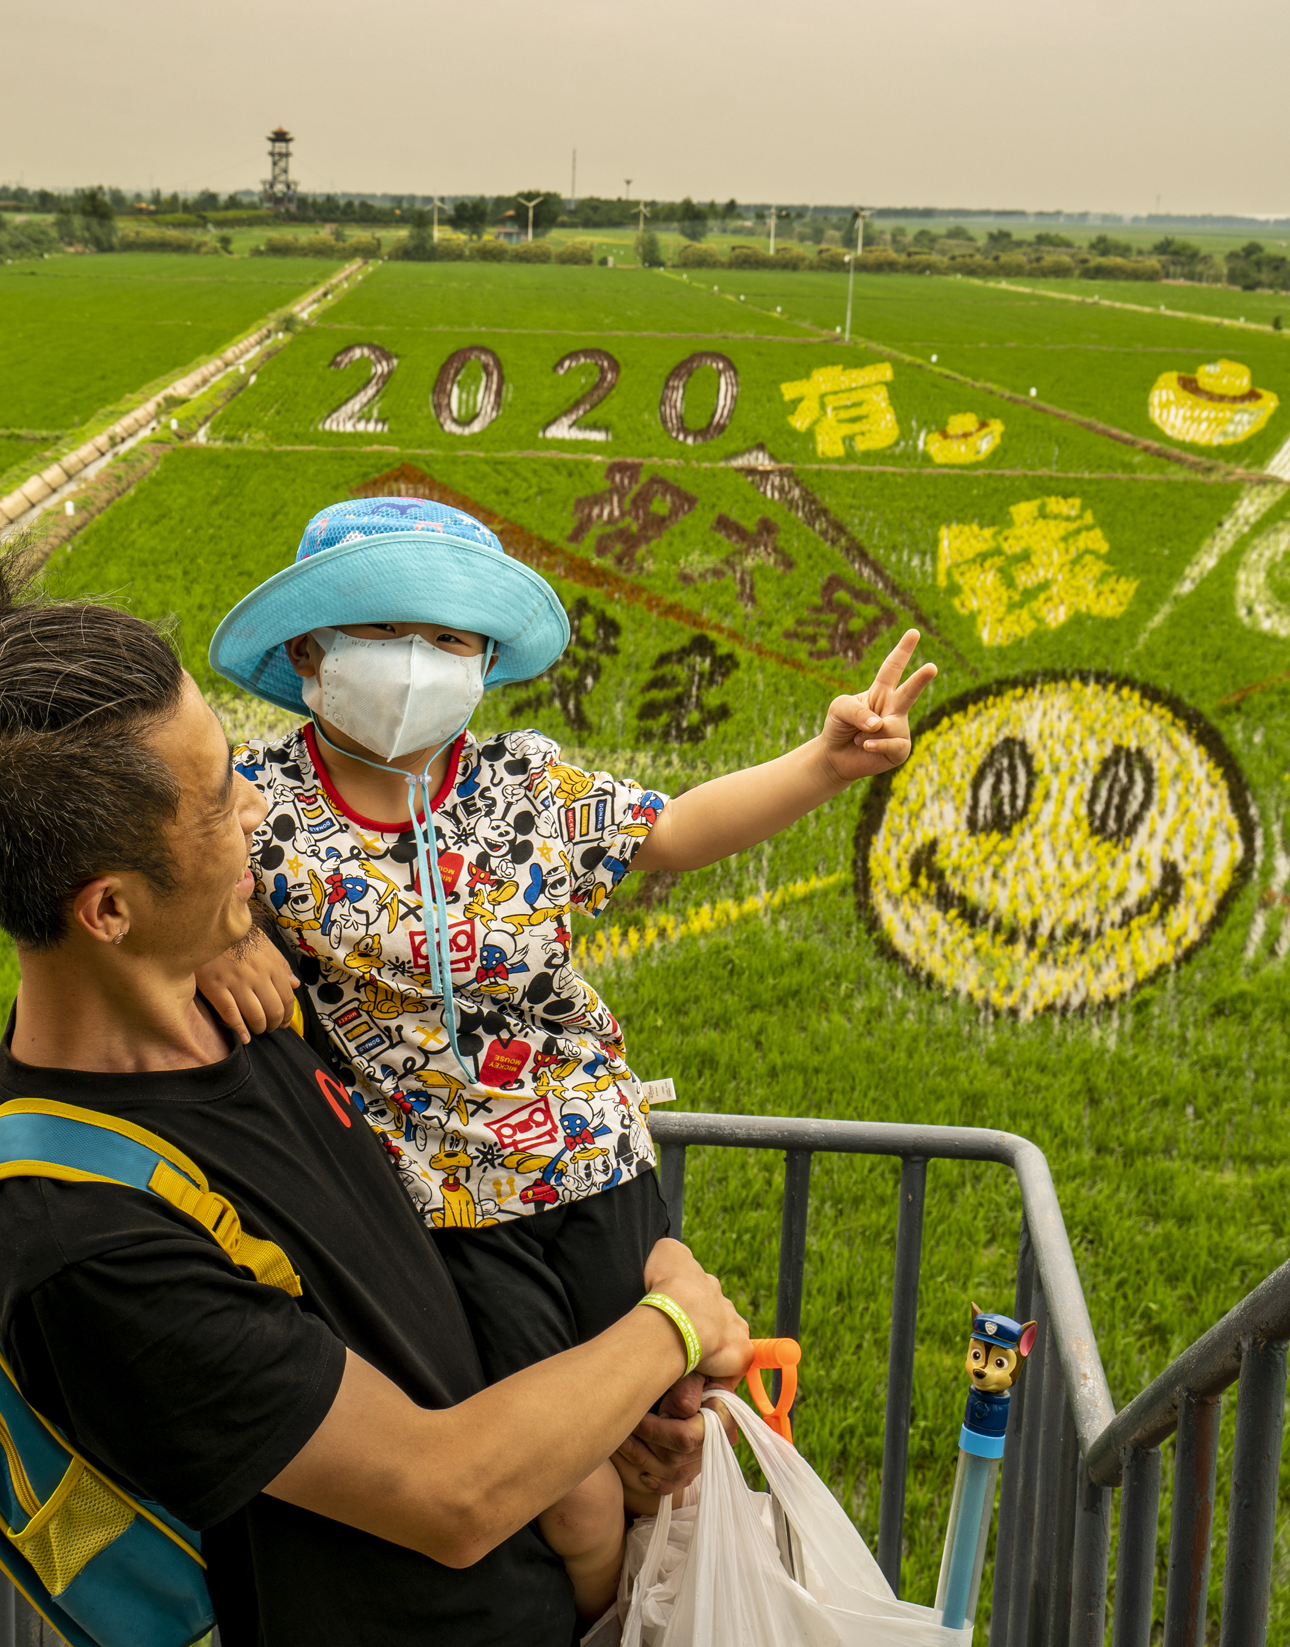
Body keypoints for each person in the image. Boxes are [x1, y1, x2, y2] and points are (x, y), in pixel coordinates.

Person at [0, 556, 752, 1647]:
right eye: (216, 800)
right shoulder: (87, 1242)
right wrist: (672, 1325)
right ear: (107, 907)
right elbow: (448, 1491)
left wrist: (598, 1422)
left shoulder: (244, 999)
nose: (258, 803)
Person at [197, 496, 936, 1611]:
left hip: (594, 1164)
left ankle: (671, 1606)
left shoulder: (522, 783)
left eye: (450, 639)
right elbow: (142, 890)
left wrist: (825, 762)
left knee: (670, 1433)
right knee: (575, 1490)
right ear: (307, 649)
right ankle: (600, 1620)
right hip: (444, 1209)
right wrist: (220, 940)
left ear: (486, 660)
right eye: (383, 631)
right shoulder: (258, 810)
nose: (417, 663)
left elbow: (673, 831)